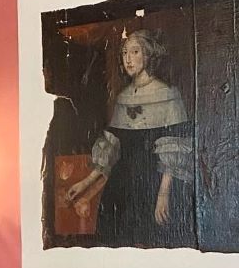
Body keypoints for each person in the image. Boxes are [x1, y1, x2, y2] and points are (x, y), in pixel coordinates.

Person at [65, 30, 195, 248]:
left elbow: (174, 149)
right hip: (121, 186)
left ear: (148, 55)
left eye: (135, 52)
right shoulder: (123, 97)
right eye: (125, 52)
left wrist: (163, 194)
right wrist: (85, 183)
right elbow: (112, 147)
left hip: (154, 185)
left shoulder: (168, 94)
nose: (128, 59)